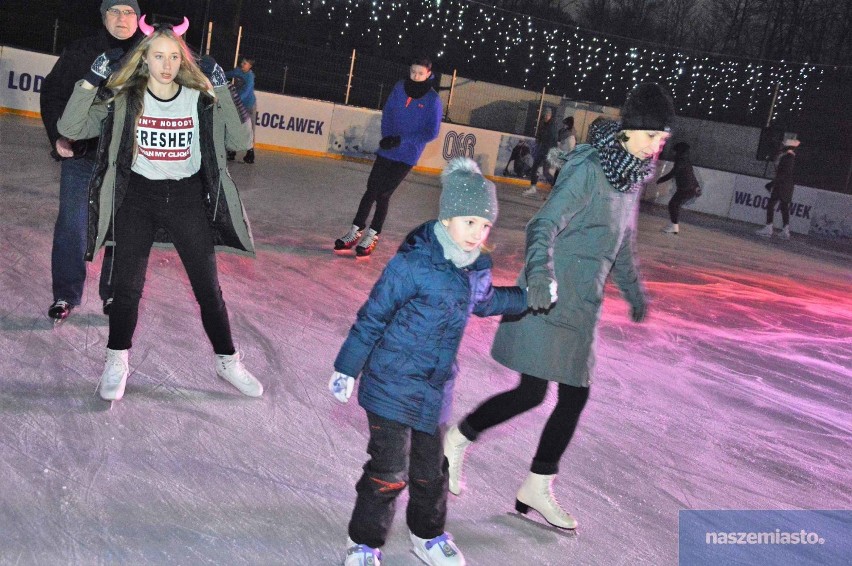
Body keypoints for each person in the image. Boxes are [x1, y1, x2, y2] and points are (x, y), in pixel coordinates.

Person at [444, 83, 674, 531]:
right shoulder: (590, 169)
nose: (656, 147)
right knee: (562, 393)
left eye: (661, 139)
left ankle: (480, 451)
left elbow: (622, 245)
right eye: (651, 136)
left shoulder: (630, 177)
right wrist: (541, 276)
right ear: (630, 131)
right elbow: (543, 224)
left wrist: (633, 291)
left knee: (542, 393)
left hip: (582, 304)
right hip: (550, 298)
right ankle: (498, 462)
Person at [329, 158, 532, 566]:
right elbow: (373, 316)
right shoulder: (413, 264)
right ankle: (364, 543)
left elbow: (488, 302)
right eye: (469, 222)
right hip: (389, 384)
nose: (478, 233)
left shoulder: (475, 269)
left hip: (433, 390)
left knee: (431, 472)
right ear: (448, 216)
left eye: (485, 225)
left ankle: (428, 535)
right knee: (388, 472)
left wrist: (531, 298)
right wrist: (347, 366)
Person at [57, 17, 262, 401]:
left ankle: (227, 360)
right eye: (157, 56)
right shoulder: (125, 98)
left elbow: (240, 139)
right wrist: (90, 79)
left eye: (173, 57)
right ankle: (117, 359)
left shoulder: (198, 98)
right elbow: (72, 126)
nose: (166, 65)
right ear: (144, 59)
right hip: (138, 200)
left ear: (183, 60)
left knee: (208, 289)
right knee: (126, 288)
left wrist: (220, 86)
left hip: (186, 201)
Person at [40, 0, 143, 321]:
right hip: (83, 153)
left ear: (139, 18)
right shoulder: (82, 51)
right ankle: (65, 294)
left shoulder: (150, 54)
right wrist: (57, 136)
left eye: (129, 12)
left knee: (122, 229)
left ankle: (113, 294)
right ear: (103, 17)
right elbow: (53, 92)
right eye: (114, 11)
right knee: (72, 225)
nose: (122, 18)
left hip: (129, 159)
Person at [333, 55, 443, 257]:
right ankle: (355, 231)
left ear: (428, 74)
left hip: (407, 155)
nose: (415, 76)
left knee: (383, 193)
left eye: (420, 73)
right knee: (371, 190)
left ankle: (373, 234)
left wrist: (401, 140)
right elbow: (388, 112)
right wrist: (387, 136)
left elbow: (431, 132)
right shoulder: (400, 87)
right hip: (388, 148)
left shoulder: (433, 99)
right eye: (413, 72)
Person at [756, 139, 800, 240]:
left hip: (782, 185)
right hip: (785, 185)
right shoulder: (787, 156)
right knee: (784, 207)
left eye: (783, 145)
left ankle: (769, 228)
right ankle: (785, 230)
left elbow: (783, 173)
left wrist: (772, 183)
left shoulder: (788, 158)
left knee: (771, 205)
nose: (781, 146)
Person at [657, 141, 700, 234]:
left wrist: (661, 179)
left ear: (679, 151)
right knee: (674, 205)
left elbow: (673, 173)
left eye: (675, 151)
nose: (674, 153)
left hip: (686, 189)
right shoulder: (685, 160)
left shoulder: (681, 161)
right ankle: (674, 226)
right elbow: (691, 175)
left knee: (673, 204)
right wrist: (697, 187)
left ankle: (674, 226)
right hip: (687, 188)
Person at [225, 56, 256, 164]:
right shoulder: (238, 71)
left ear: (250, 66)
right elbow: (227, 74)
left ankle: (250, 153)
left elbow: (247, 91)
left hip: (248, 105)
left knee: (249, 129)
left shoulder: (250, 77)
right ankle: (232, 151)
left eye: (245, 63)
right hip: (237, 104)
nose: (243, 64)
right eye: (242, 62)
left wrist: (237, 100)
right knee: (234, 126)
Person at [522, 107, 559, 199]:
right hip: (541, 150)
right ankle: (533, 187)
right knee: (534, 168)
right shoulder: (543, 124)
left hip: (548, 152)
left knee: (546, 172)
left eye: (548, 115)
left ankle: (556, 188)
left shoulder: (552, 126)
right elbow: (540, 136)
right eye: (545, 114)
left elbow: (552, 140)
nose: (546, 116)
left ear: (550, 115)